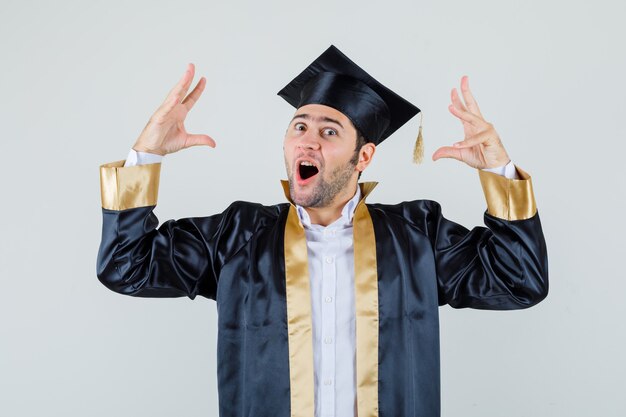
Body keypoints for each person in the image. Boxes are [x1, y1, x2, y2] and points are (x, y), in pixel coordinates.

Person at [97, 45, 548, 417]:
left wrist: (497, 169)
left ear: (364, 157)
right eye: (300, 127)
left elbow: (519, 280)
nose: (308, 140)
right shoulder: (238, 237)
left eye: (329, 131)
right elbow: (126, 267)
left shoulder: (416, 236)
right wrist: (147, 154)